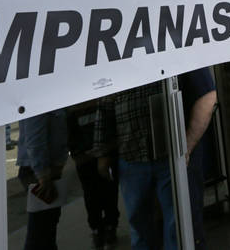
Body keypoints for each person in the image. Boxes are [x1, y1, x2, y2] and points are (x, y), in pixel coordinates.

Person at [93, 69, 218, 250]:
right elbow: (104, 103)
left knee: (181, 229)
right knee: (141, 230)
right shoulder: (115, 57)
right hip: (132, 157)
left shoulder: (174, 44)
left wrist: (186, 147)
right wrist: (102, 153)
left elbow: (207, 95)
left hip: (173, 159)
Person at [67, 100, 120, 249]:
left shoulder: (97, 101)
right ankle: (102, 228)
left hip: (95, 156)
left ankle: (105, 227)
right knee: (98, 194)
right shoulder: (78, 105)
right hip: (90, 158)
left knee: (103, 192)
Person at [16, 108, 69, 250]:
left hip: (45, 170)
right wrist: (43, 175)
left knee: (47, 227)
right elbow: (34, 139)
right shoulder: (40, 99)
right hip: (39, 172)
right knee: (40, 232)